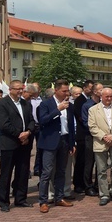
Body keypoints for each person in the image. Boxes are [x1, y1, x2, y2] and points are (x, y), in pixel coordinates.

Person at [0, 80, 36, 211]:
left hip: (24, 144)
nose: (20, 91)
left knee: (22, 173)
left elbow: (31, 121)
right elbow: (4, 124)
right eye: (17, 89)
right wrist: (20, 135)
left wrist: (28, 132)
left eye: (21, 89)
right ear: (10, 89)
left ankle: (21, 199)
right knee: (6, 173)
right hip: (9, 144)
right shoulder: (2, 104)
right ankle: (4, 202)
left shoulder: (26, 104)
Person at [36, 79, 76, 213]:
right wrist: (57, 110)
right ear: (56, 90)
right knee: (46, 172)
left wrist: (72, 143)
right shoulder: (45, 104)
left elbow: (70, 125)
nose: (67, 93)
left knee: (61, 171)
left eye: (67, 91)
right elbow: (42, 121)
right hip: (49, 142)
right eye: (64, 91)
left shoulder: (69, 105)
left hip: (64, 141)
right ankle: (43, 201)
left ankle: (59, 197)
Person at [88, 87, 112, 206]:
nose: (109, 99)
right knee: (102, 170)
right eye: (106, 96)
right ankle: (104, 194)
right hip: (101, 142)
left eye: (111, 96)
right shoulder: (93, 109)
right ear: (101, 96)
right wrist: (104, 136)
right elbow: (92, 126)